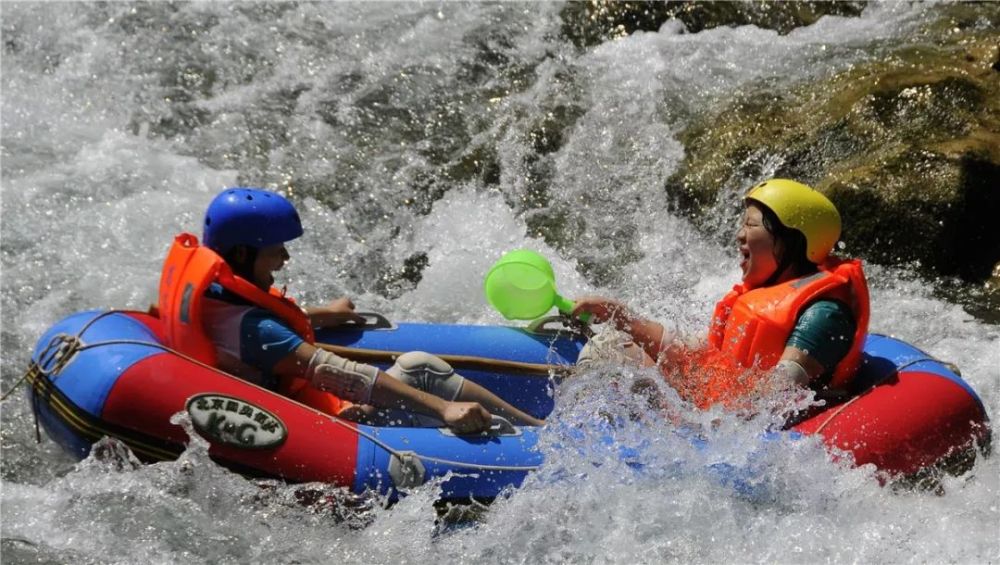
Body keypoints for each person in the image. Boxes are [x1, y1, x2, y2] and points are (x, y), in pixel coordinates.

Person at [159, 187, 543, 433]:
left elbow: (254, 335)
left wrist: (319, 315)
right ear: (243, 253)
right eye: (276, 249)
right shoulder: (256, 330)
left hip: (294, 411)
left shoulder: (211, 295)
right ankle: (538, 432)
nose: (285, 257)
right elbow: (341, 373)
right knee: (421, 367)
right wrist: (445, 408)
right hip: (322, 428)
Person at [571, 179, 870, 410]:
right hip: (717, 405)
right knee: (612, 344)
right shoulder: (763, 292)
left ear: (793, 241)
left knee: (620, 364)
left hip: (745, 427)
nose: (740, 235)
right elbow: (698, 353)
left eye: (751, 225)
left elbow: (777, 393)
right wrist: (621, 316)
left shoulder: (824, 314)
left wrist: (694, 414)